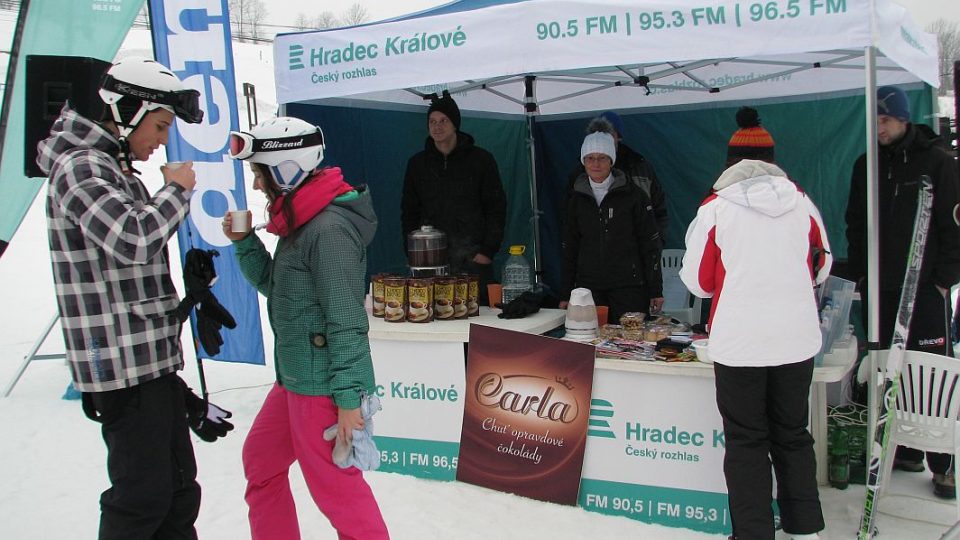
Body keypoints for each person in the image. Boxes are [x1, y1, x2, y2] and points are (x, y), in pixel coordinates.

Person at [37, 56, 234, 539]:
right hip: (122, 369)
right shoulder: (81, 168)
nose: (163, 139)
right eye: (161, 125)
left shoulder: (109, 168)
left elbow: (130, 262)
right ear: (128, 109)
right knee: (141, 500)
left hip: (147, 366)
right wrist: (175, 191)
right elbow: (134, 240)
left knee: (178, 492)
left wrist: (190, 289)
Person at [224, 117, 389, 539]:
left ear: (286, 169)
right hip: (294, 378)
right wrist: (245, 242)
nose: (258, 186)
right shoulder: (301, 219)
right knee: (261, 462)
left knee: (336, 490)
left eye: (261, 175)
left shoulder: (327, 229)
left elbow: (346, 318)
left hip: (321, 386)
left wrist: (349, 398)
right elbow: (280, 290)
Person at [681, 107, 830, 540]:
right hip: (795, 340)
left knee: (747, 440)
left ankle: (753, 532)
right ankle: (805, 529)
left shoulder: (714, 210)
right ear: (773, 160)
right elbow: (822, 267)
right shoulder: (802, 203)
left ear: (730, 163)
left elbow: (698, 282)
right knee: (792, 434)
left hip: (740, 344)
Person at [845, 86, 960, 499]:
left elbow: (955, 227)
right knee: (885, 371)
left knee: (929, 371)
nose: (878, 128)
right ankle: (905, 449)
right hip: (881, 289)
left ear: (903, 118)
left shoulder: (938, 163)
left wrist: (943, 280)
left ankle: (942, 464)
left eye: (885, 120)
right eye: (873, 120)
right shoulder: (867, 165)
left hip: (926, 292)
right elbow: (855, 223)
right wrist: (860, 273)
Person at [401, 90, 507, 301]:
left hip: (474, 261)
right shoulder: (417, 164)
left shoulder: (481, 160)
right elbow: (409, 212)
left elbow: (496, 207)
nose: (437, 126)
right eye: (432, 121)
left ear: (455, 124)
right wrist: (412, 251)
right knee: (430, 319)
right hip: (429, 261)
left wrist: (487, 252)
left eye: (443, 120)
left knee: (477, 323)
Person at [560, 127, 664, 323]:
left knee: (631, 343)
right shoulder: (575, 198)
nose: (596, 164)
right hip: (588, 289)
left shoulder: (634, 196)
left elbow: (650, 245)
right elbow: (569, 248)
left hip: (629, 287)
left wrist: (655, 290)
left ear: (611, 161)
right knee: (589, 342)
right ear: (583, 162)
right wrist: (566, 294)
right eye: (590, 158)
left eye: (602, 158)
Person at [566, 111, 669, 243]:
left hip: (637, 251)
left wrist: (655, 243)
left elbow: (660, 211)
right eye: (600, 135)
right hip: (595, 253)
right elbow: (569, 220)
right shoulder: (580, 175)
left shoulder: (639, 166)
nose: (604, 140)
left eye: (609, 134)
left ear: (618, 137)